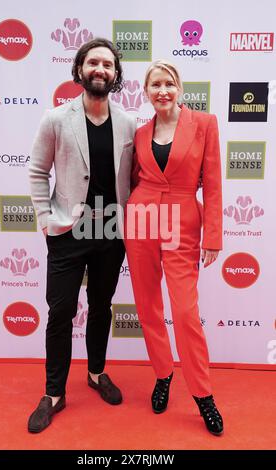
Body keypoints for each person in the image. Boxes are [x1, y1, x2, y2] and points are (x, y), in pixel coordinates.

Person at [28, 38, 136, 433]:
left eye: (108, 64)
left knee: (102, 305)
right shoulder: (55, 119)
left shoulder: (128, 122)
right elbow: (38, 172)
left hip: (111, 232)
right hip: (68, 232)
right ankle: (53, 393)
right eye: (93, 62)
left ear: (116, 75)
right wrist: (44, 219)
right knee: (60, 312)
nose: (101, 69)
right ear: (80, 70)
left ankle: (96, 372)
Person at [124, 60, 223, 436]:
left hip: (183, 220)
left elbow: (212, 182)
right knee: (148, 306)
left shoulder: (204, 124)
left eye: (168, 84)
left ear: (178, 87)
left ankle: (203, 394)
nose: (162, 91)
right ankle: (163, 374)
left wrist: (213, 236)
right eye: (154, 85)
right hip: (141, 220)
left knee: (184, 312)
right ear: (146, 92)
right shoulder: (140, 132)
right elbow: (134, 178)